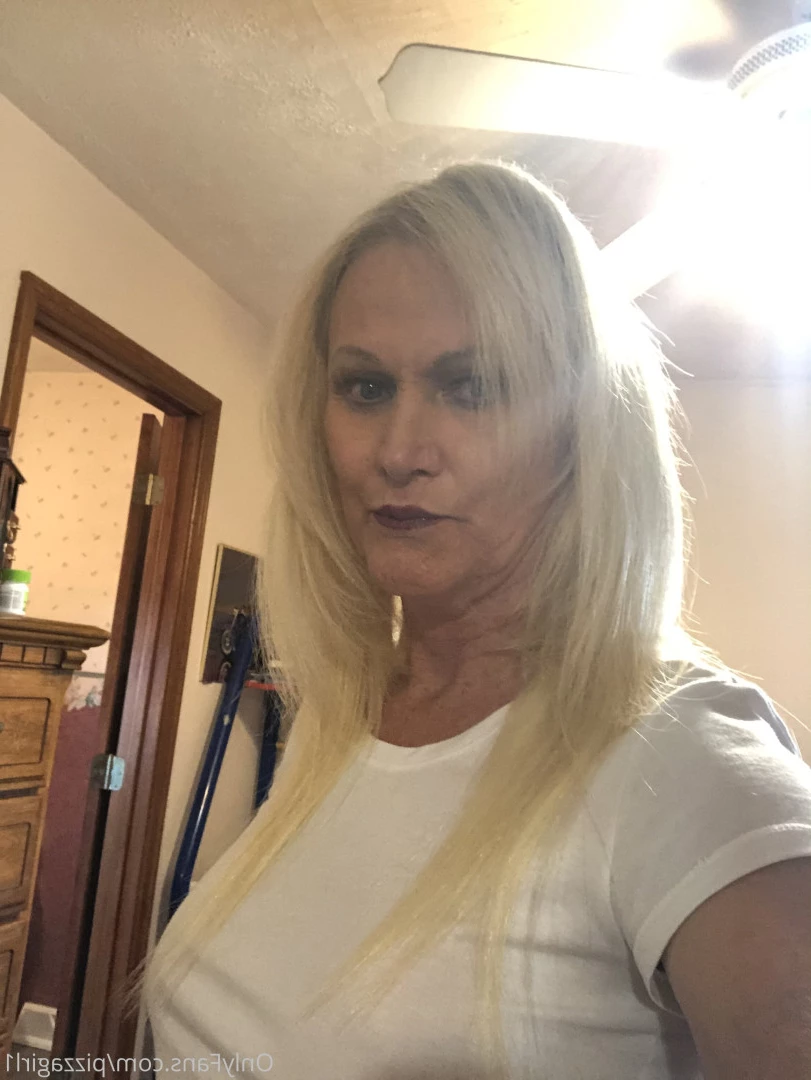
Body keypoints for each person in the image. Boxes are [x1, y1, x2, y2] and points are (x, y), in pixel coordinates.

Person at [144, 161, 811, 1079]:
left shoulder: (677, 748)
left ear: (581, 431)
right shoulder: (348, 714)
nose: (399, 451)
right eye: (365, 388)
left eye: (472, 387)